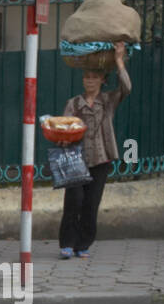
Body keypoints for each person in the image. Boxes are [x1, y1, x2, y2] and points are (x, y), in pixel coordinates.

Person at [56, 40, 131, 259]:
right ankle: (67, 244)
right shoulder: (74, 104)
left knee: (91, 204)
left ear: (102, 80)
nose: (89, 81)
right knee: (74, 201)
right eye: (86, 77)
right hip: (76, 159)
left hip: (101, 159)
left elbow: (126, 87)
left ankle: (83, 244)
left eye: (94, 77)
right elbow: (64, 127)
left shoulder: (108, 101)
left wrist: (118, 60)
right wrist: (62, 139)